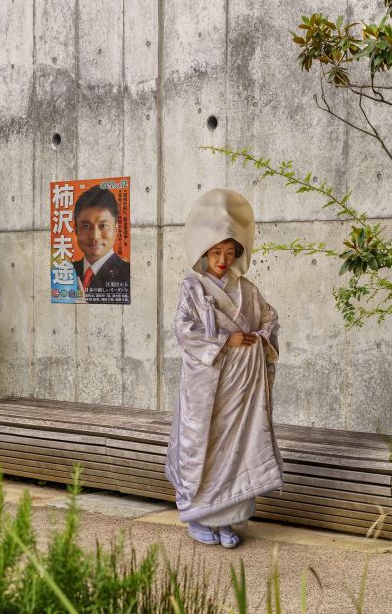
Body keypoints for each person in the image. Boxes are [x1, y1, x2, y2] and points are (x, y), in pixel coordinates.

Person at [164, 188, 283, 549]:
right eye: (216, 253)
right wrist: (225, 342)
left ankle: (230, 520)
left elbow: (270, 320)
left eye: (229, 253)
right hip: (207, 386)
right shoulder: (192, 289)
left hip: (241, 388)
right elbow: (183, 330)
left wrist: (257, 340)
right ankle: (200, 518)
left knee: (240, 446)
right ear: (204, 252)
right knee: (208, 445)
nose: (222, 260)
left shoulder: (247, 290)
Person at [72, 185, 130, 303]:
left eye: (103, 226)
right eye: (86, 226)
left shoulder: (128, 274)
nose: (95, 236)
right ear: (76, 230)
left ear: (116, 229)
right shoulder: (65, 271)